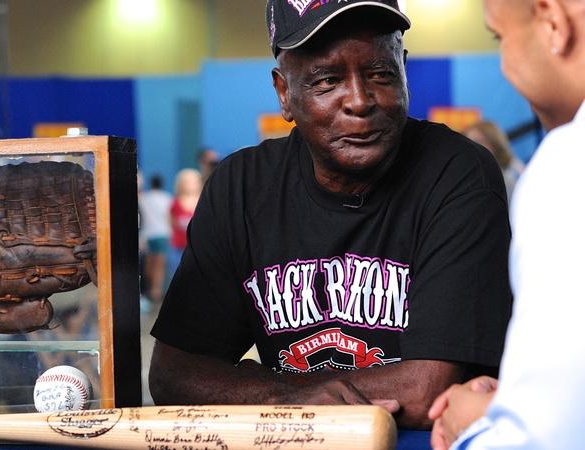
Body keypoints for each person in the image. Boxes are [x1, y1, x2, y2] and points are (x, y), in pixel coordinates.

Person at [149, 0, 514, 429]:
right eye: (327, 81)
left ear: (404, 69)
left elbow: (427, 391)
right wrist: (291, 394)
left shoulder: (456, 173)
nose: (359, 102)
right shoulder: (241, 187)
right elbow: (172, 375)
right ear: (285, 93)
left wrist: (262, 392)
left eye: (380, 73)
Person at [428, 1, 585, 448]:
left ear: (553, 22)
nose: (504, 64)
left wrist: (475, 427)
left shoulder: (568, 166)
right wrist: (522, 397)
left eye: (500, 38)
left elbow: (542, 440)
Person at [462, 121, 525, 201]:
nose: (472, 148)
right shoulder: (469, 177)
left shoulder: (513, 172)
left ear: (494, 143)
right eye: (469, 143)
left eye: (478, 141)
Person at [139, 174, 173, 303]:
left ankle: (149, 290)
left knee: (149, 264)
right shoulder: (167, 198)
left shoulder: (144, 199)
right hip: (162, 234)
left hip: (148, 235)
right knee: (159, 265)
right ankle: (156, 292)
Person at [168, 168, 202, 276]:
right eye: (186, 182)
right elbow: (171, 223)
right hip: (179, 247)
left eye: (193, 182)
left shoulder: (202, 202)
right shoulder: (175, 203)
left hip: (198, 248)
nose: (190, 185)